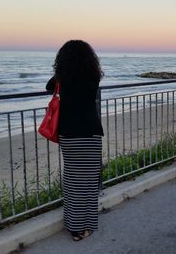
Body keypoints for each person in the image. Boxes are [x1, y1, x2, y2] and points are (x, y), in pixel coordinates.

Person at [46, 40, 104, 241]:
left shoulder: (62, 77)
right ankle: (83, 227)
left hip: (68, 135)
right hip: (90, 133)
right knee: (88, 182)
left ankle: (73, 225)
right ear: (90, 58)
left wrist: (60, 72)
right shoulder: (94, 75)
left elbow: (48, 87)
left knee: (72, 180)